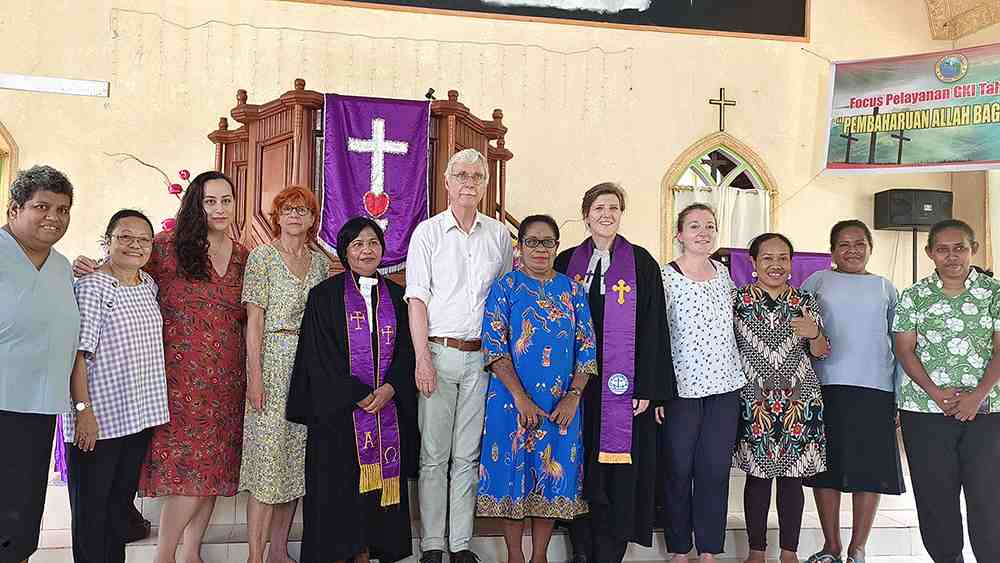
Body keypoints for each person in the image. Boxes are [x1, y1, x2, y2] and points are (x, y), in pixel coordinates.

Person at [74, 171, 248, 563]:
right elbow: (123, 267)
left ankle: (192, 554)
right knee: (189, 473)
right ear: (194, 204)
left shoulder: (243, 256)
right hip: (177, 380)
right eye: (209, 201)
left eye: (225, 200)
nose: (218, 208)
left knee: (214, 472)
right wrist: (90, 267)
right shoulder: (166, 248)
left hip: (228, 379)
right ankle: (165, 555)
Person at [554, 183, 673, 563]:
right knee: (579, 461)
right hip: (577, 385)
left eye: (614, 207)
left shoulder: (641, 263)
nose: (606, 214)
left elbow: (655, 328)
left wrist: (649, 388)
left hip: (623, 388)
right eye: (599, 207)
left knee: (616, 468)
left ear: (621, 214)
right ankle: (580, 547)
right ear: (586, 213)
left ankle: (610, 550)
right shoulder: (566, 262)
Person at [404, 148, 514, 563]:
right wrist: (422, 359)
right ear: (447, 183)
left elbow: (503, 300)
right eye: (462, 175)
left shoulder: (499, 236)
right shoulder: (428, 233)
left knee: (468, 454)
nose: (470, 182)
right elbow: (417, 300)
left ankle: (460, 543)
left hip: (482, 359)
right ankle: (433, 544)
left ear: (485, 186)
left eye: (477, 176)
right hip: (439, 352)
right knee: (434, 456)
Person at [286, 217, 418, 563]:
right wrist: (356, 393)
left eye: (373, 242)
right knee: (340, 487)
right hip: (340, 416)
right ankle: (344, 552)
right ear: (344, 251)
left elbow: (409, 350)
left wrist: (391, 387)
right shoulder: (324, 297)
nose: (366, 250)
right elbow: (319, 355)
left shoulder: (398, 296)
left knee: (379, 492)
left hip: (385, 411)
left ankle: (373, 549)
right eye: (357, 244)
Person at [477, 214, 596, 563]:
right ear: (520, 246)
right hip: (510, 401)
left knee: (551, 472)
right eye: (532, 242)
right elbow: (494, 346)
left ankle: (540, 556)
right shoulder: (505, 287)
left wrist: (574, 396)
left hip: (561, 405)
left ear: (556, 247)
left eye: (548, 242)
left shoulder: (573, 290)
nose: (540, 249)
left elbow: (586, 347)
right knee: (511, 472)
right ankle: (515, 556)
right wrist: (520, 397)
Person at [64, 209, 170, 563]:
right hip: (98, 420)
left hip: (135, 418)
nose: (134, 245)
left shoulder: (148, 285)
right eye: (125, 237)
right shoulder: (93, 286)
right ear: (108, 241)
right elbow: (77, 354)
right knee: (91, 512)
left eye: (143, 239)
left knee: (117, 509)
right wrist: (84, 413)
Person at [893, 219, 1000, 563]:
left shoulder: (994, 294)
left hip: (987, 411)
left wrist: (977, 396)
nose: (951, 256)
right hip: (925, 413)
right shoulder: (914, 296)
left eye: (960, 248)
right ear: (930, 253)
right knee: (935, 496)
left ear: (973, 250)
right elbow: (905, 350)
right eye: (942, 249)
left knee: (988, 495)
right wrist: (937, 394)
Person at [802, 220, 906, 563]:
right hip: (824, 387)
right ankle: (831, 545)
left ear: (870, 247)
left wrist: (897, 395)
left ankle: (857, 547)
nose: (852, 250)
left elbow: (899, 345)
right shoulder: (816, 282)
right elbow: (801, 332)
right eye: (843, 244)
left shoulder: (885, 288)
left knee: (871, 471)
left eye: (859, 243)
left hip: (874, 389)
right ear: (832, 251)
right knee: (825, 470)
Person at [240, 186, 331, 563]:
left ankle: (279, 551)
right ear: (277, 216)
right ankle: (255, 556)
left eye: (303, 210)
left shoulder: (321, 262)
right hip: (273, 361)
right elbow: (253, 321)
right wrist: (254, 376)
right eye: (288, 209)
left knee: (295, 462)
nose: (295, 215)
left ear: (312, 219)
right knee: (268, 462)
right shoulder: (262, 257)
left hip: (309, 366)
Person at [657, 203, 746, 562]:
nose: (703, 232)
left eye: (709, 226)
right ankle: (680, 548)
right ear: (679, 233)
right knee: (678, 468)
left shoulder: (725, 274)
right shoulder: (666, 276)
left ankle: (709, 549)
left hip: (725, 386)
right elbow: (657, 336)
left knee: (714, 470)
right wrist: (658, 391)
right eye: (694, 226)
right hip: (680, 389)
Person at [732, 233, 829, 563]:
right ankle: (756, 552)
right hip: (754, 401)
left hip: (798, 403)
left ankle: (790, 553)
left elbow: (821, 352)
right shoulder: (737, 301)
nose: (775, 264)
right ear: (754, 263)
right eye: (767, 258)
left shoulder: (805, 301)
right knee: (757, 478)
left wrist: (815, 333)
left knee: (792, 479)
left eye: (783, 258)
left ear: (791, 262)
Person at [0, 165, 79, 563]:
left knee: (23, 514)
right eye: (42, 206)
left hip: (39, 408)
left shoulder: (63, 267)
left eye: (63, 209)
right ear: (14, 209)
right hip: (2, 404)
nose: (54, 216)